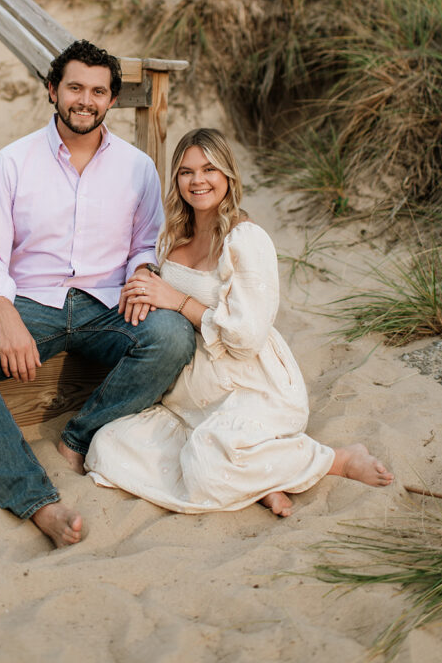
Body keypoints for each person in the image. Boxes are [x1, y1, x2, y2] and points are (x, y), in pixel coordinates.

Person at [0, 40, 196, 547]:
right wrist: (5, 317)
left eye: (98, 91)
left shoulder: (138, 166)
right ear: (53, 90)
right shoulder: (13, 161)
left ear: (112, 100)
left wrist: (141, 274)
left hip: (108, 303)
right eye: (75, 87)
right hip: (31, 302)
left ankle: (79, 436)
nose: (85, 100)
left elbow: (147, 241)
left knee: (174, 336)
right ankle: (35, 498)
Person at [86, 128, 393, 516]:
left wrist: (178, 301)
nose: (197, 180)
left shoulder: (246, 239)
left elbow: (245, 339)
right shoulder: (173, 238)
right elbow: (158, 297)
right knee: (108, 445)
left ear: (228, 175)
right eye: (186, 171)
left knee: (207, 467)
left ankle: (337, 459)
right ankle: (264, 483)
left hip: (248, 385)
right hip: (188, 396)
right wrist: (142, 287)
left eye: (209, 169)